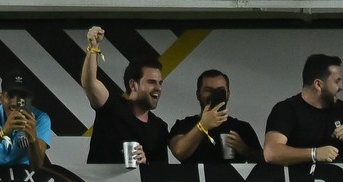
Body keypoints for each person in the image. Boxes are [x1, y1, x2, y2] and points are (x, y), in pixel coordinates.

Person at [263, 54, 343, 166]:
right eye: (336, 81)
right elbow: (271, 153)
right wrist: (314, 154)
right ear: (318, 84)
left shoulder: (339, 108)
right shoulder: (286, 109)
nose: (341, 86)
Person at [83, 26, 168, 165]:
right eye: (152, 82)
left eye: (160, 83)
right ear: (133, 85)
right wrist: (93, 47)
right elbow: (90, 84)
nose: (158, 88)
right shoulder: (112, 107)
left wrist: (145, 164)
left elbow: (160, 175)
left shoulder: (159, 127)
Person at [170, 69, 262, 164]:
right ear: (198, 94)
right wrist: (203, 126)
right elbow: (179, 151)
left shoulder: (242, 128)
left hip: (231, 179)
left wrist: (245, 150)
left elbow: (265, 164)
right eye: (208, 90)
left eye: (220, 91)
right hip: (195, 178)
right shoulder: (184, 124)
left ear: (228, 94)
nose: (214, 95)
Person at [0, 70, 50, 167]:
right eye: (10, 95)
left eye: (22, 96)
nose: (15, 102)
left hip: (23, 174)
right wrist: (4, 131)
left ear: (30, 99)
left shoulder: (40, 118)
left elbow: (37, 165)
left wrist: (33, 140)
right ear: (1, 97)